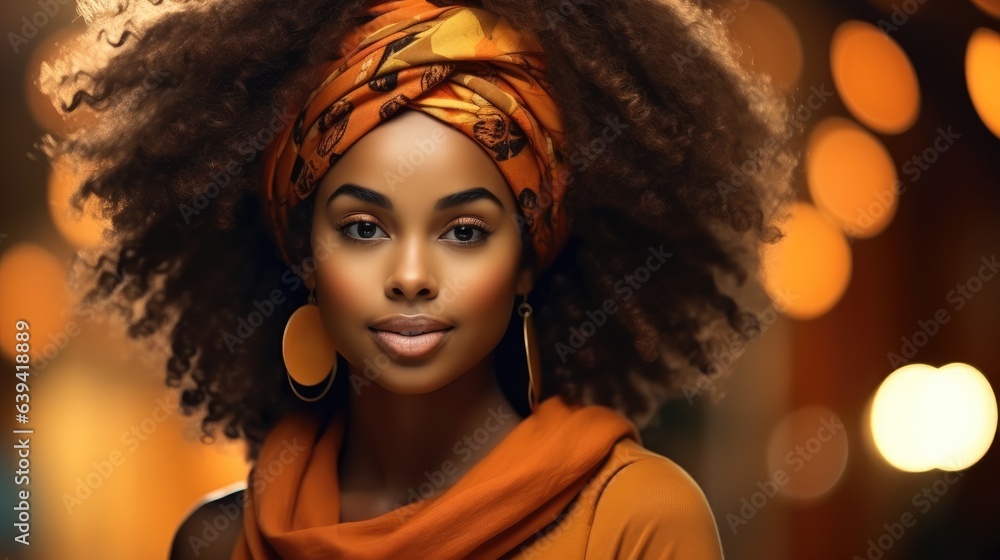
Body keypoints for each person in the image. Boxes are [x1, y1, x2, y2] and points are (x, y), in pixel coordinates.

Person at [38, 0, 797, 558]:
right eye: (363, 229)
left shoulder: (636, 521)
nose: (409, 276)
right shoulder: (218, 544)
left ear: (530, 256)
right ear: (303, 255)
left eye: (464, 232)